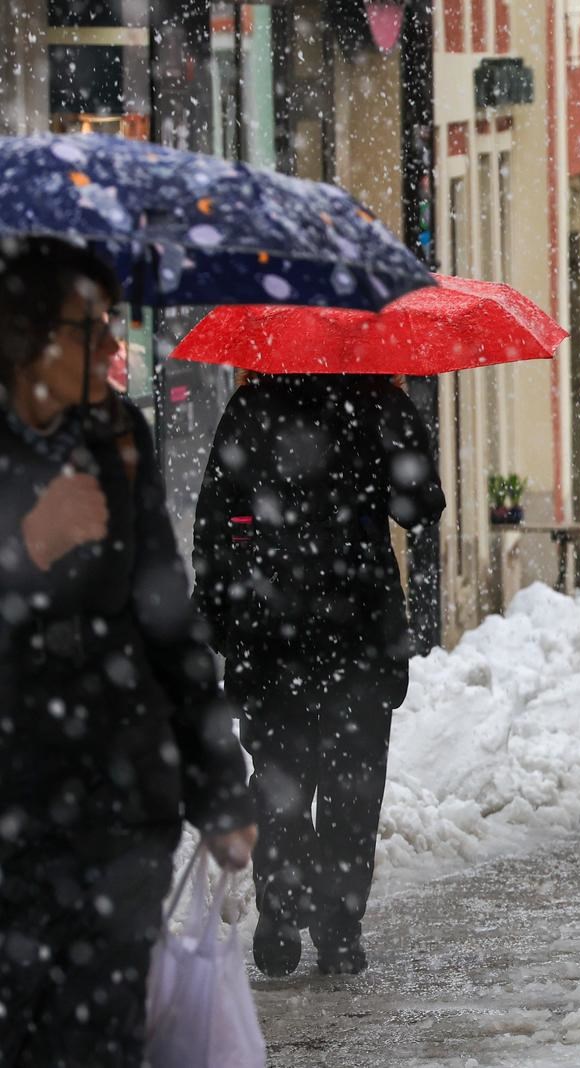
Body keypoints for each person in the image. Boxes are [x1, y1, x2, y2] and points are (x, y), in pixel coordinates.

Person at [0, 237, 256, 1065]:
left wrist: (220, 789)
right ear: (28, 338)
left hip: (118, 803)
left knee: (104, 1037)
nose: (114, 348)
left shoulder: (118, 440)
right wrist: (25, 549)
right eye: (92, 328)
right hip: (12, 811)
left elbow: (168, 622)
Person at [192, 372, 444, 976]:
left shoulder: (252, 403)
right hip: (355, 633)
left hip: (270, 633)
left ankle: (282, 906)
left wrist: (220, 616)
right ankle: (338, 925)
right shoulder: (378, 401)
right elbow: (420, 507)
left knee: (280, 779)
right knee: (352, 789)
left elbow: (214, 519)